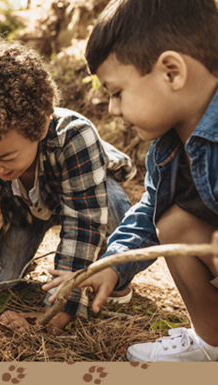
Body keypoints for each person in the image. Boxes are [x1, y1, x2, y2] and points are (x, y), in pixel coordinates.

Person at [43, 0, 218, 362]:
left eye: (117, 92)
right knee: (172, 223)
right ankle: (211, 342)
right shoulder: (167, 147)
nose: (113, 109)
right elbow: (148, 211)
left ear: (172, 72)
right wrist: (111, 264)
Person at [0, 39, 136, 334]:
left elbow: (84, 221)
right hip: (22, 214)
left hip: (81, 194)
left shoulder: (75, 136)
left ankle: (113, 275)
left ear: (42, 126)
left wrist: (64, 301)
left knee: (115, 207)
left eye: (6, 157)